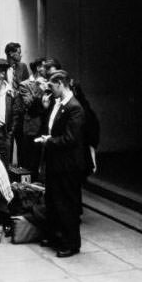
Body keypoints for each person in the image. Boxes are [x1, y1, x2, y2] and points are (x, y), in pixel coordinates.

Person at [36, 70, 86, 258]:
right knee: (54, 201)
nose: (50, 90)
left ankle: (71, 243)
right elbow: (50, 125)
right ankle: (56, 236)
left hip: (67, 165)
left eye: (52, 86)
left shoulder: (75, 108)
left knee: (67, 204)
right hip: (55, 162)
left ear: (60, 84)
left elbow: (70, 138)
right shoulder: (57, 104)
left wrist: (48, 141)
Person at [17, 58, 49, 178]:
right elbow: (29, 104)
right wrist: (39, 89)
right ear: (37, 68)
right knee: (32, 160)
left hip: (48, 125)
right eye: (44, 67)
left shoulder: (50, 82)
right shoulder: (25, 84)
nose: (46, 70)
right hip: (33, 127)